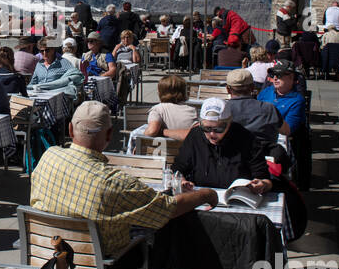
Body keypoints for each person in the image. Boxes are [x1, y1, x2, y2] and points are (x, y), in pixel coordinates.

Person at [30, 101, 216, 257]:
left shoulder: (48, 157)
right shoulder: (115, 183)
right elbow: (167, 210)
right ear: (109, 135)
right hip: (106, 265)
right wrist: (205, 195)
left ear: (70, 129)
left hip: (47, 257)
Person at [174, 98, 273, 192]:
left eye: (218, 129)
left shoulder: (246, 138)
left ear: (229, 123)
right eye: (207, 128)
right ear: (200, 124)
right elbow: (178, 168)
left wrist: (262, 184)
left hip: (236, 199)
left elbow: (264, 178)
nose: (212, 134)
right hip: (201, 196)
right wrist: (182, 181)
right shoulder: (195, 136)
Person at [224, 69, 282, 146]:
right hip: (264, 154)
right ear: (252, 87)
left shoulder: (222, 110)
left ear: (228, 89)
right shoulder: (269, 108)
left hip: (233, 155)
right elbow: (286, 130)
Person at [143, 74, 197, 140]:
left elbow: (152, 131)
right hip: (188, 149)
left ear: (160, 92)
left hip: (163, 149)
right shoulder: (193, 110)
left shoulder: (158, 109)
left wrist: (144, 134)